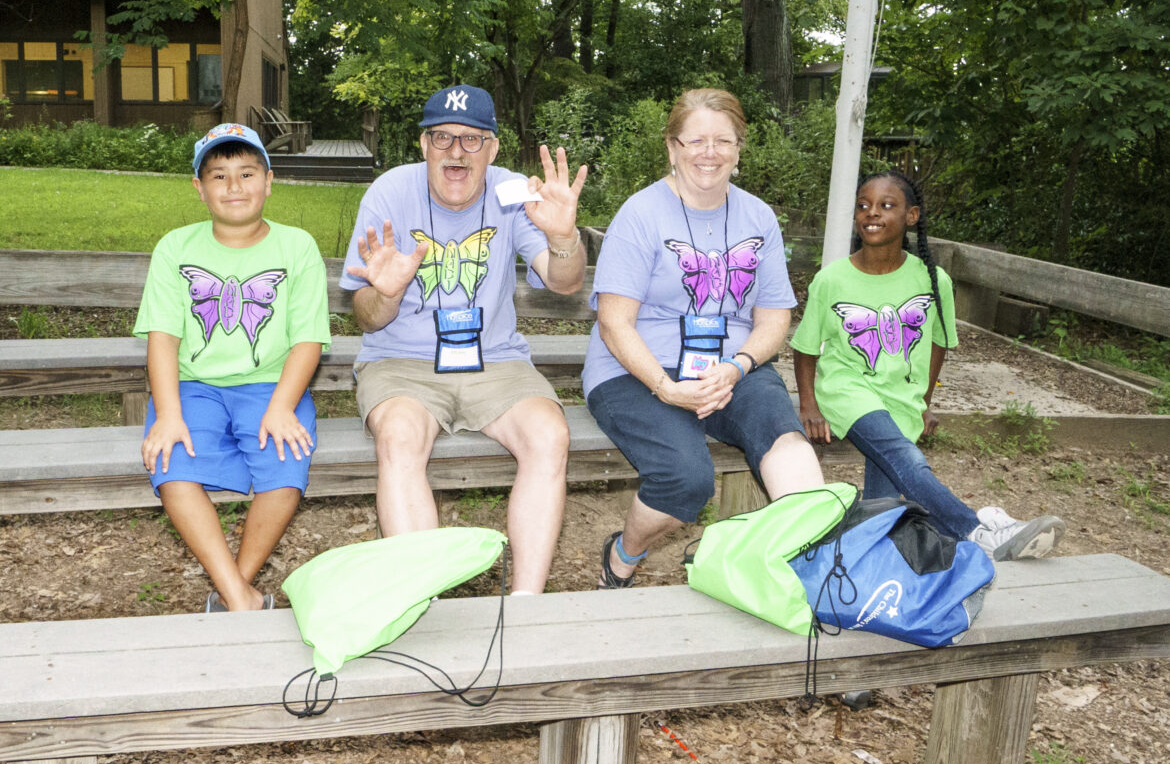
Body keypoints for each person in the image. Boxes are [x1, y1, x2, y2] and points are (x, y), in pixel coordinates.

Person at [340, 85, 588, 595]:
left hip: (494, 361)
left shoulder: (513, 192)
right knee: (400, 436)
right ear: (423, 145)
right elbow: (366, 318)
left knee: (550, 434)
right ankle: (421, 599)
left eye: (472, 140)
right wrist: (385, 294)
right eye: (443, 137)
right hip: (402, 361)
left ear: (493, 148)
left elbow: (565, 283)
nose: (456, 151)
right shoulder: (388, 193)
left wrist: (564, 238)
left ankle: (527, 605)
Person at [583, 88, 825, 589]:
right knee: (687, 478)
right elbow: (614, 323)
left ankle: (810, 570)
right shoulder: (641, 214)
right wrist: (666, 387)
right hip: (637, 369)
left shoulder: (758, 217)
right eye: (695, 140)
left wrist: (738, 364)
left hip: (731, 366)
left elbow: (775, 317)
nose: (708, 152)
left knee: (785, 439)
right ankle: (623, 556)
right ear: (672, 148)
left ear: (739, 149)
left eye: (723, 140)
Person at [791, 169, 1066, 560]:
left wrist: (923, 398)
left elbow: (939, 342)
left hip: (901, 396)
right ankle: (978, 530)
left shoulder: (933, 281)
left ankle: (858, 553)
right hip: (847, 391)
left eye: (887, 206)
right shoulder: (832, 279)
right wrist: (809, 406)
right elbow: (805, 348)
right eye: (864, 205)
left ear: (912, 216)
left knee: (880, 510)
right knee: (908, 461)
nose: (873, 213)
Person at [136, 123, 331, 611]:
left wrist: (284, 406)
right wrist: (169, 413)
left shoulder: (297, 247)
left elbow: (308, 338)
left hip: (271, 384)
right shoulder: (176, 248)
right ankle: (241, 598)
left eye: (247, 173)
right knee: (170, 461)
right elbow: (163, 338)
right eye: (219, 176)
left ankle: (232, 590)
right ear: (199, 189)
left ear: (269, 180)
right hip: (193, 385)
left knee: (287, 464)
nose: (234, 186)